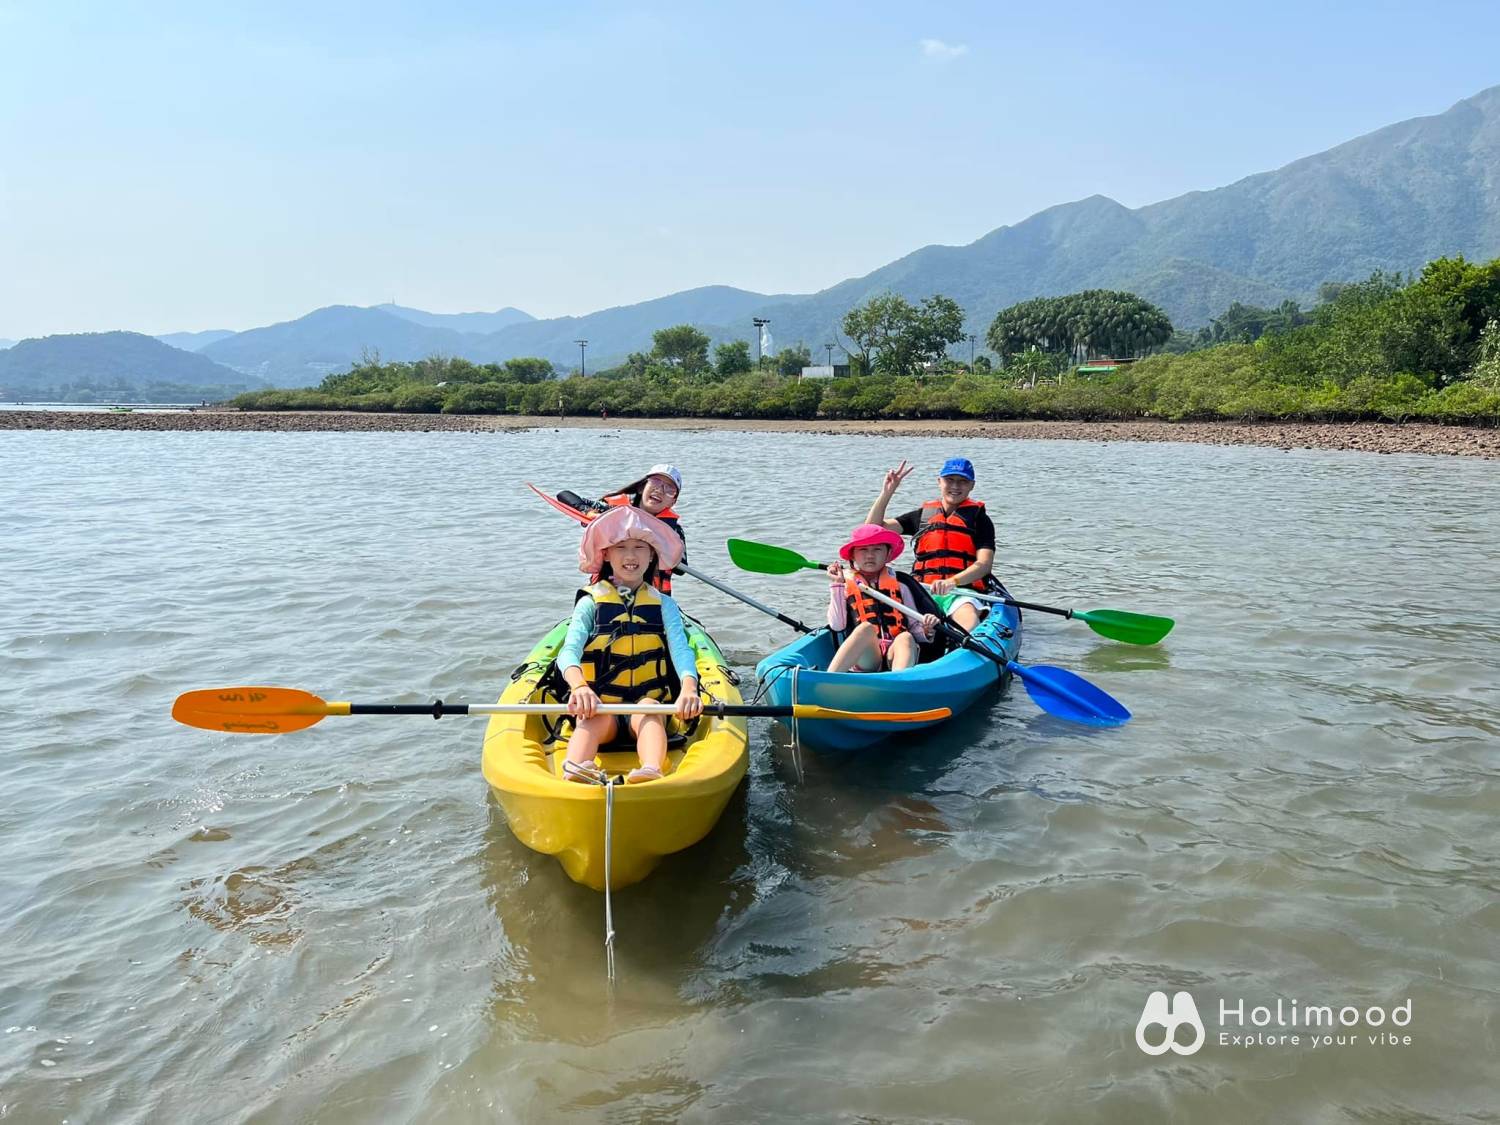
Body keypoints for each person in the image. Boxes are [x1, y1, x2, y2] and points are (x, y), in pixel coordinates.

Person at [557, 506, 702, 783]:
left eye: (640, 547)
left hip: (649, 709)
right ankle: (576, 768)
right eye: (621, 547)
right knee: (592, 718)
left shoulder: (664, 604)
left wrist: (688, 688)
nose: (631, 556)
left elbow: (681, 651)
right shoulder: (591, 602)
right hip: (601, 707)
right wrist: (579, 687)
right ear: (607, 555)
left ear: (651, 557)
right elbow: (568, 653)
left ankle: (650, 769)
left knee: (647, 706)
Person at [865, 457, 995, 632]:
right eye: (950, 480)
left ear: (972, 485)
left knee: (969, 621)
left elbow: (984, 565)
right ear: (939, 482)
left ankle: (959, 650)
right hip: (922, 590)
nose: (955, 486)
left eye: (962, 481)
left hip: (960, 592)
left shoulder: (980, 519)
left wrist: (952, 582)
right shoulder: (923, 516)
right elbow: (871, 530)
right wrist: (887, 492)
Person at [825, 524, 940, 673]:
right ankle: (830, 679)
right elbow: (837, 626)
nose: (870, 555)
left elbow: (914, 628)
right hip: (868, 658)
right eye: (863, 550)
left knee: (905, 636)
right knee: (865, 628)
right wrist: (837, 585)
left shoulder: (901, 586)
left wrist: (927, 630)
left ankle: (898, 683)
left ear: (888, 554)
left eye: (877, 549)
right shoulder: (844, 586)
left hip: (895, 655)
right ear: (853, 555)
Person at [558, 464, 687, 594]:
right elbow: (563, 495)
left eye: (669, 489)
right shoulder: (614, 513)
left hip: (653, 594)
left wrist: (661, 545)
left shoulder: (672, 530)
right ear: (642, 487)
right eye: (656, 482)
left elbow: (681, 568)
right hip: (609, 588)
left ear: (672, 502)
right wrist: (588, 512)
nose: (660, 490)